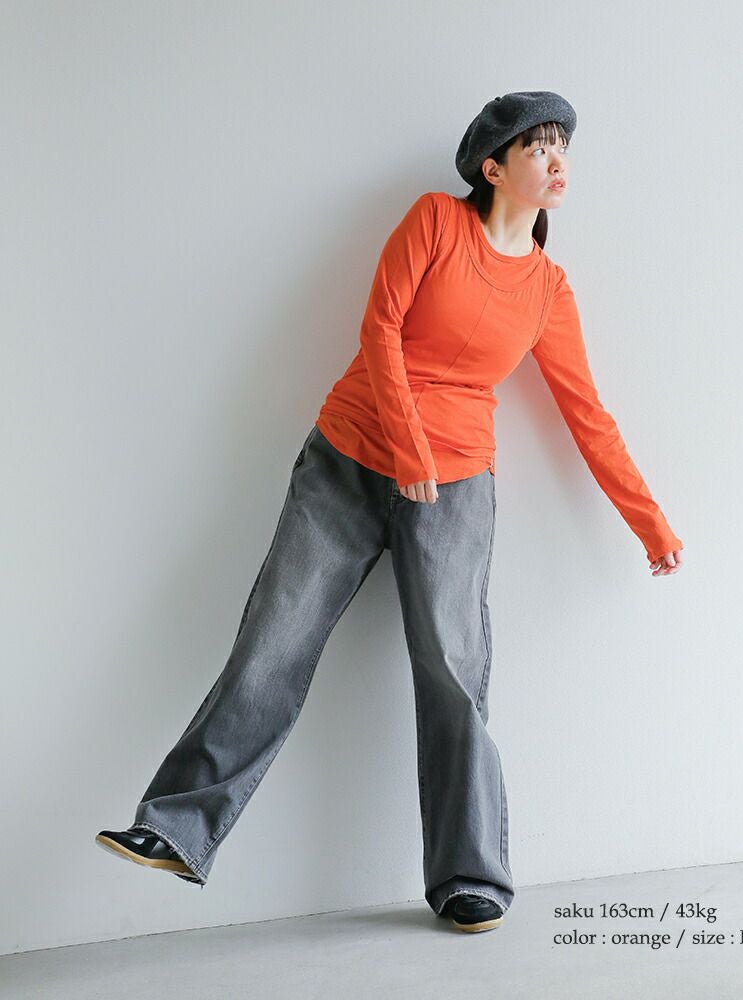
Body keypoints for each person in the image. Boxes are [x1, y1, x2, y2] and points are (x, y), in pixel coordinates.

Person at [95, 91, 684, 935]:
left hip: (456, 486)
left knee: (453, 670)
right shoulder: (437, 221)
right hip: (349, 457)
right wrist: (407, 450)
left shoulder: (548, 290)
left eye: (565, 147)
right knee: (275, 638)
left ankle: (469, 877)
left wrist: (649, 523)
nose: (559, 161)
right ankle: (176, 830)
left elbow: (587, 413)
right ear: (493, 167)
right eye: (540, 146)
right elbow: (381, 328)